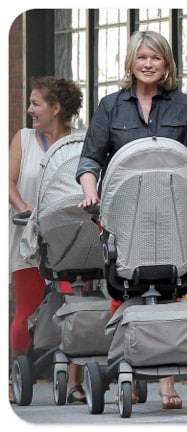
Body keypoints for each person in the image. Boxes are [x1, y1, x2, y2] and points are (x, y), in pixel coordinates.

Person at [76, 30, 187, 410]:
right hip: (123, 214)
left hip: (172, 214)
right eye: (142, 57)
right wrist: (89, 189)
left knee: (172, 289)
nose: (148, 64)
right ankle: (126, 373)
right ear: (131, 62)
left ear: (167, 64)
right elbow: (90, 160)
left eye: (156, 58)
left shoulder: (185, 106)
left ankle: (167, 385)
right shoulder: (111, 106)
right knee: (122, 291)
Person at [9, 76, 86, 404]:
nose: (30, 109)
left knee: (77, 307)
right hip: (27, 236)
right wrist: (24, 207)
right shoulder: (24, 139)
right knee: (26, 311)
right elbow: (8, 181)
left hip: (70, 239)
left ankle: (74, 382)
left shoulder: (79, 143)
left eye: (36, 103)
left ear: (56, 109)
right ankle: (16, 375)